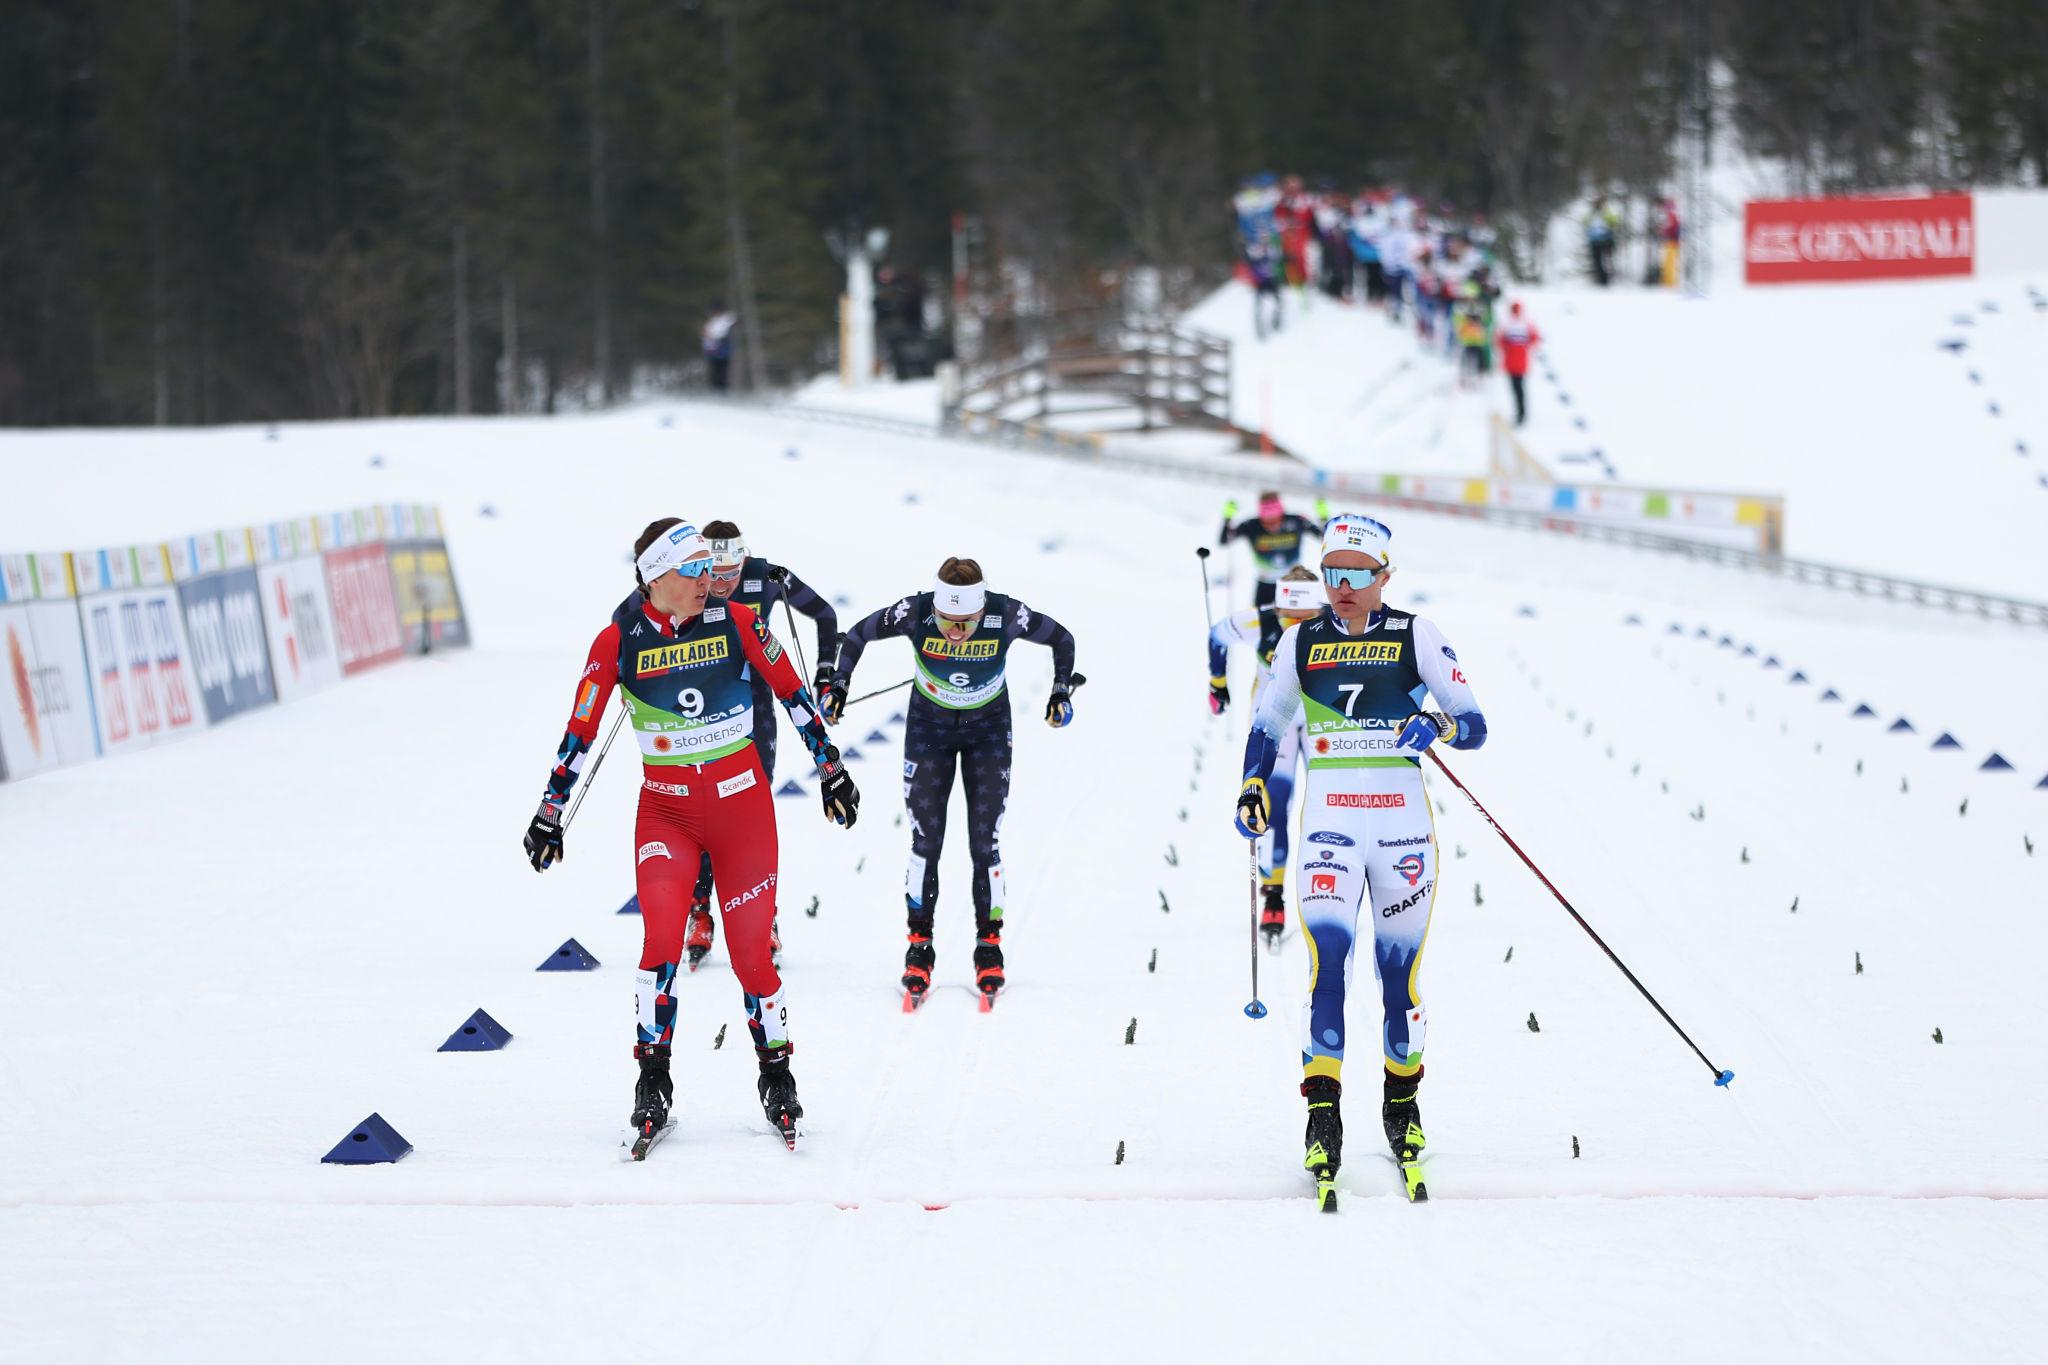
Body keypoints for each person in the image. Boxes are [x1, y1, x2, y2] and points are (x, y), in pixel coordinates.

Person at [522, 518, 861, 1157]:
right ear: (657, 577)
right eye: (695, 569)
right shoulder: (616, 641)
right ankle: (653, 1080)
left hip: (744, 814)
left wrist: (832, 770)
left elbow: (793, 693)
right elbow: (581, 730)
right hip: (668, 816)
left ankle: (777, 1076)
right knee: (659, 940)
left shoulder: (737, 622)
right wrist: (550, 812)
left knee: (752, 954)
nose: (711, 578)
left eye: (712, 567)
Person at [1230, 512, 1487, 1206]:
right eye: (1331, 573)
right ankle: (1323, 1119)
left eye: (1356, 575)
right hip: (1330, 832)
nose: (1340, 587)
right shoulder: (1301, 640)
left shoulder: (1415, 635)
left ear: (1384, 577)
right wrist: (1253, 782)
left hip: (1403, 837)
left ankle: (1402, 1109)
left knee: (1399, 980)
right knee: (1329, 971)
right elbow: (1266, 723)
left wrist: (1435, 722)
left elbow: (1475, 723)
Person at [821, 557, 1077, 1007]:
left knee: (985, 844)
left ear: (981, 611)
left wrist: (1060, 689)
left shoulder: (1005, 613)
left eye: (967, 623)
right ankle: (919, 948)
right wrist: (839, 685)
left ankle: (989, 947)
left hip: (989, 731)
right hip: (929, 730)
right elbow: (858, 634)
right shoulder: (917, 611)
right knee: (925, 842)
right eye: (947, 622)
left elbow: (1062, 638)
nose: (956, 632)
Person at [681, 520, 841, 972]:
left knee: (749, 818)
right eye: (714, 576)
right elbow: (628, 619)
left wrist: (826, 675)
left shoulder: (767, 577)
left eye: (731, 573)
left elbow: (825, 614)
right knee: (702, 817)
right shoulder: (683, 578)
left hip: (756, 713)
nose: (723, 584)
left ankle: (763, 917)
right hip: (698, 718)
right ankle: (699, 914)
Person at [1207, 565, 1321, 946]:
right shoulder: (1260, 619)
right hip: (1278, 721)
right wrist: (1218, 684)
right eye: (1289, 615)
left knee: (1328, 803)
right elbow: (1218, 635)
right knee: (1276, 804)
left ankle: (1331, 892)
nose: (1296, 624)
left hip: (1323, 721)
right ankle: (1274, 896)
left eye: (1305, 617)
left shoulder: (1335, 619)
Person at [1219, 491, 1323, 609]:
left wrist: (1323, 516)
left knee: (1294, 622)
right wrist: (1227, 518)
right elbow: (1224, 540)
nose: (1272, 525)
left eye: (1274, 518)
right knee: (1262, 622)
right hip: (1265, 584)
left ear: (1281, 512)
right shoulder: (1251, 525)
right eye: (1267, 519)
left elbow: (1323, 536)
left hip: (1293, 583)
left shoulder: (1296, 521)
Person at [1497, 301, 1540, 426]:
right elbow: (1535, 338)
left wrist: (1509, 347)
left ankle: (1521, 413)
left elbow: (1499, 340)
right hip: (1518, 360)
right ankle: (1521, 413)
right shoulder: (1525, 323)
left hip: (1513, 360)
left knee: (1517, 388)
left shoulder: (1509, 323)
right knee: (1518, 388)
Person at [702, 303, 735, 391]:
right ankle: (716, 390)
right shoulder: (713, 323)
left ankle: (721, 390)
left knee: (721, 372)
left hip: (721, 352)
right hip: (714, 352)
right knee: (716, 372)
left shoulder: (723, 322)